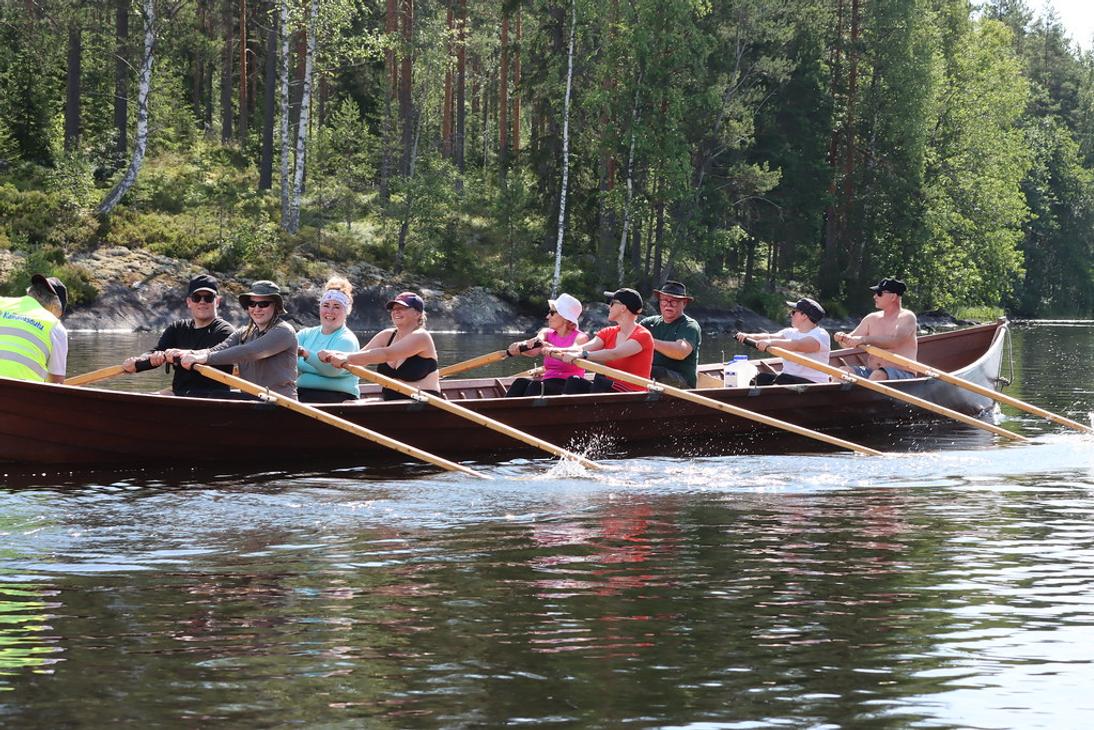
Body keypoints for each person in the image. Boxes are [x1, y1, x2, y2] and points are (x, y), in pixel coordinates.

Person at [173, 280, 298, 398]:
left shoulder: (284, 331)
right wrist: (190, 353)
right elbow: (218, 349)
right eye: (252, 304)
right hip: (251, 401)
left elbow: (250, 352)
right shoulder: (243, 333)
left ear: (275, 306)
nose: (257, 309)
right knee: (215, 395)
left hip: (281, 404)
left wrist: (204, 358)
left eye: (263, 304)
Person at [121, 274, 235, 396]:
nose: (202, 302)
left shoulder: (225, 331)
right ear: (189, 302)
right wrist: (138, 362)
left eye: (208, 297)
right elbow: (157, 351)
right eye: (196, 297)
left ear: (217, 301)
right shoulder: (177, 328)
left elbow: (210, 355)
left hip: (211, 398)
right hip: (178, 394)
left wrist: (176, 356)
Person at [318, 291, 440, 401]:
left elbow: (386, 354)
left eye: (402, 308)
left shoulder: (421, 336)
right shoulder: (386, 335)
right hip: (390, 401)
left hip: (421, 403)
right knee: (347, 404)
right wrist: (333, 354)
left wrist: (346, 358)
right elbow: (361, 358)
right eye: (393, 308)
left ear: (418, 314)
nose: (396, 311)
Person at [544, 287, 654, 394]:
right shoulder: (608, 332)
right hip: (610, 388)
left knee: (601, 380)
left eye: (612, 303)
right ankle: (568, 412)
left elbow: (614, 354)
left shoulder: (643, 335)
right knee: (574, 381)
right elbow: (581, 348)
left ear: (623, 308)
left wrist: (582, 355)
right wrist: (555, 349)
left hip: (632, 392)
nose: (609, 307)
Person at [504, 292, 589, 397]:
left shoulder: (580, 337)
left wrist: (553, 349)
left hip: (568, 386)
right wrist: (520, 346)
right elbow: (534, 348)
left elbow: (575, 350)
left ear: (565, 317)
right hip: (548, 382)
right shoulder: (546, 332)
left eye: (552, 312)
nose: (547, 316)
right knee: (520, 382)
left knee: (536, 386)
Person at [834, 278, 919, 381]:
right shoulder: (871, 318)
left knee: (878, 375)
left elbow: (894, 342)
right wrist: (842, 338)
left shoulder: (907, 317)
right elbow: (848, 344)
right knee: (842, 371)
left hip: (902, 373)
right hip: (872, 371)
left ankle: (863, 396)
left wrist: (864, 339)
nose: (874, 297)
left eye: (879, 293)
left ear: (893, 297)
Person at [735, 297, 831, 385]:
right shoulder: (790, 332)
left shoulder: (821, 335)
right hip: (788, 380)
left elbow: (797, 345)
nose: (791, 315)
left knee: (782, 379)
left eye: (794, 312)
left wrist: (770, 343)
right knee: (761, 379)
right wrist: (747, 336)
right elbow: (770, 336)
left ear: (804, 316)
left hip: (813, 383)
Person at [296, 276, 360, 403]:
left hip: (337, 397)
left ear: (346, 311)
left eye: (337, 307)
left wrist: (305, 354)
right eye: (326, 305)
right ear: (319, 308)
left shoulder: (347, 339)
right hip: (302, 393)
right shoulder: (305, 334)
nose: (330, 311)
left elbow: (331, 370)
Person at [0, 273, 68, 383]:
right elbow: (56, 383)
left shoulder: (2, 303)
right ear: (55, 307)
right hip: (20, 395)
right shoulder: (55, 327)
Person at [639, 280, 702, 388]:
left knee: (653, 371)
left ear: (684, 304)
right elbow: (629, 339)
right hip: (650, 380)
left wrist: (649, 341)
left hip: (682, 384)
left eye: (674, 302)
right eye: (664, 301)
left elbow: (680, 352)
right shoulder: (648, 323)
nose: (668, 305)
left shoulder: (689, 325)